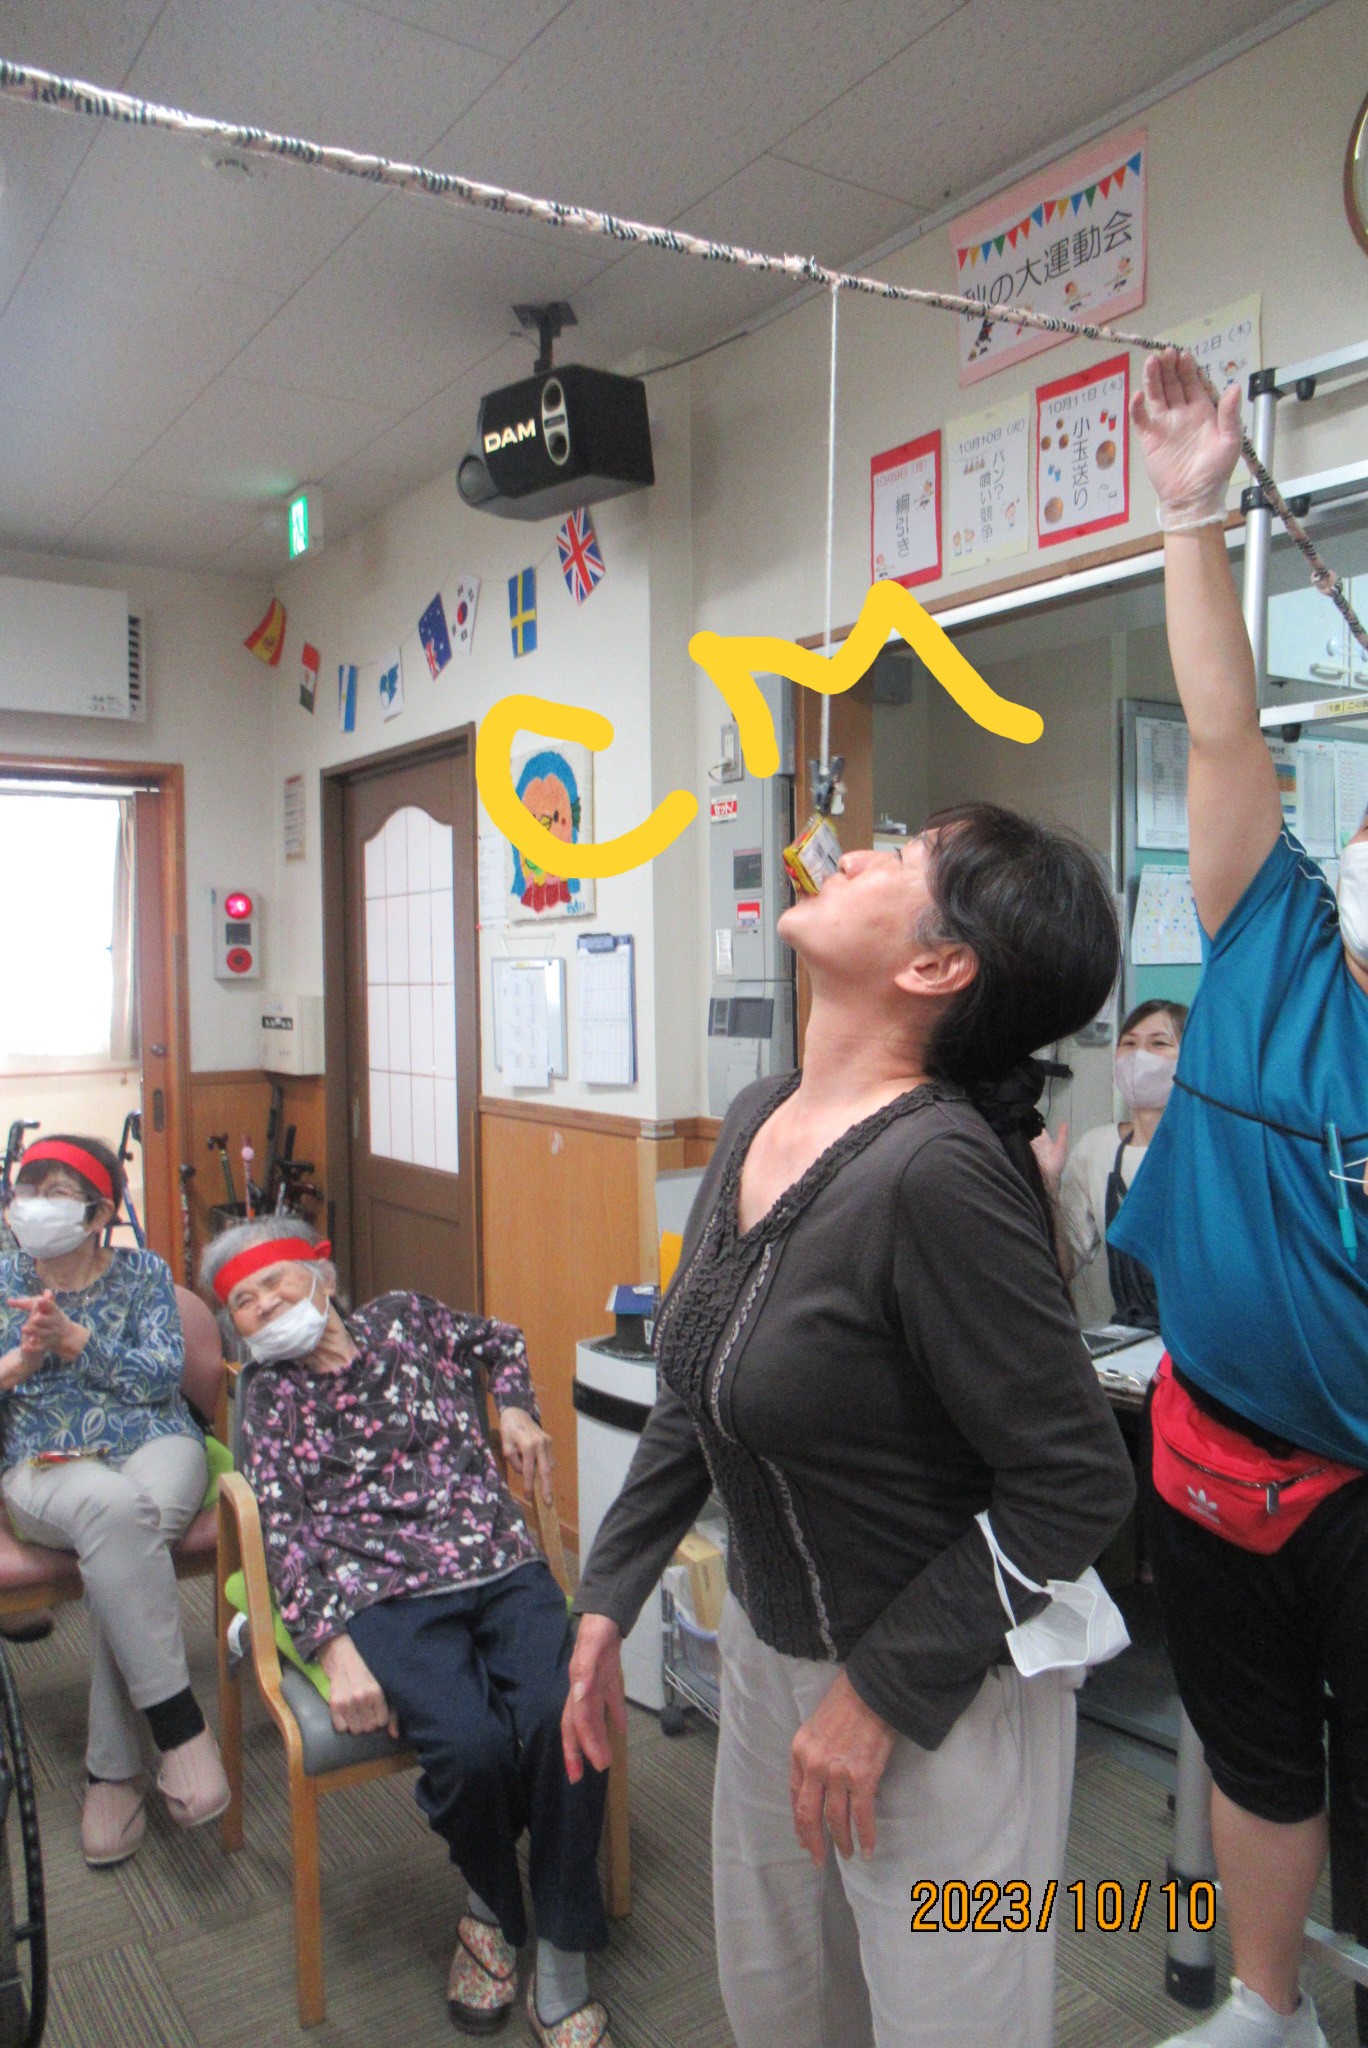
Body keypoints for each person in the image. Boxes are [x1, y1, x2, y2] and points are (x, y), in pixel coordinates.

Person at [565, 802, 1136, 2048]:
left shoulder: (937, 1172)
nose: (860, 850)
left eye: (909, 854)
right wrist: (609, 1593)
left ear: (936, 965)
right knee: (779, 2005)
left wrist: (877, 1692)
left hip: (943, 1698)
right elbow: (700, 1379)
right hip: (770, 1655)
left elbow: (1076, 1481)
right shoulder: (759, 1112)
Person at [1111, 348, 1368, 2048]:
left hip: (1359, 1484)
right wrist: (1191, 511)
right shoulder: (1272, 934)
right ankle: (1266, 2003)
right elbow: (1219, 724)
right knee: (1257, 1753)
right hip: (1207, 1446)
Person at [204, 1219, 612, 2046]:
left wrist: (517, 1411)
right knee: (468, 1748)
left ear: (323, 1277)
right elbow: (282, 1531)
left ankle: (562, 1957)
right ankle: (492, 1907)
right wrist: (332, 1647)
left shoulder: (404, 1318)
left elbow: (499, 1340)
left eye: (276, 1281)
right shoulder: (271, 1397)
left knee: (563, 1718)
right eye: (243, 1302)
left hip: (496, 1558)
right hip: (382, 1593)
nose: (265, 1305)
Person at [0, 1135, 230, 1867]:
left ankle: (114, 1773)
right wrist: (20, 1361)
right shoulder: (1, 1275)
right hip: (47, 1461)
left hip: (157, 1443)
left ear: (100, 1214)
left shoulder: (143, 1273)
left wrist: (78, 1342)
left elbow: (162, 1379)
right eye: (25, 1191)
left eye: (56, 1195)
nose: (32, 1207)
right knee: (116, 1517)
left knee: (122, 1549)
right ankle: (178, 1728)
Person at [1033, 998, 1188, 1327]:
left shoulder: (1209, 1152)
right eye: (1128, 1043)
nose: (1139, 1056)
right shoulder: (1096, 1148)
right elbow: (1061, 1268)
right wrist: (1048, 1183)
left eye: (1158, 1043)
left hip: (1206, 1344)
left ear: (1192, 1059)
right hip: (1132, 1337)